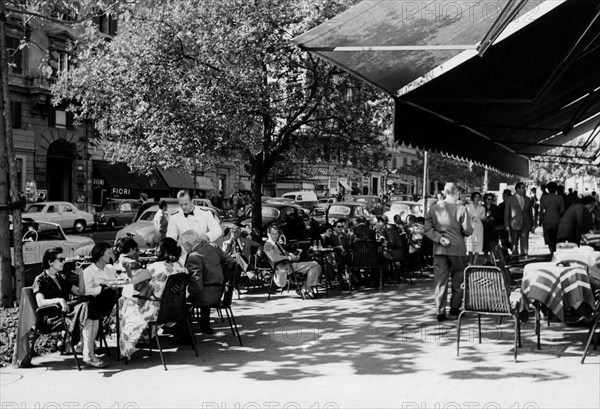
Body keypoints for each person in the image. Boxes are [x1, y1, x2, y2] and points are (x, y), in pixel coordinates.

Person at [33, 247, 108, 368]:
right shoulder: (40, 279)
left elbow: (80, 292)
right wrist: (58, 300)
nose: (64, 262)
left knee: (89, 303)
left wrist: (80, 277)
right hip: (52, 318)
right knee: (86, 308)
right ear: (50, 262)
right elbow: (40, 302)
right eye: (61, 259)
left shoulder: (61, 278)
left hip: (66, 314)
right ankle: (88, 353)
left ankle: (88, 351)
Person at [118, 238, 188, 359]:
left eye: (158, 247)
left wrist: (127, 269)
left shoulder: (156, 266)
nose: (156, 249)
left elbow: (133, 280)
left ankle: (126, 348)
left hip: (156, 310)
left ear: (163, 250)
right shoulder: (181, 267)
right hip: (174, 310)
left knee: (122, 302)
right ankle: (144, 338)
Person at [424, 182, 473, 322]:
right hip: (457, 249)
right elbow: (468, 230)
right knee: (458, 279)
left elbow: (427, 229)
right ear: (456, 192)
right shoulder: (461, 209)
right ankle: (455, 307)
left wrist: (439, 238)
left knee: (440, 281)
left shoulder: (433, 209)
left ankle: (440, 311)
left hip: (439, 248)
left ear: (444, 192)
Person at [180, 230, 237, 338]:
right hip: (218, 292)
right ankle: (204, 325)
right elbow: (231, 262)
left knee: (180, 302)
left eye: (183, 246)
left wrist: (184, 294)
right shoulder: (213, 247)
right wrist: (222, 280)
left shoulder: (194, 257)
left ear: (188, 244)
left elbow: (196, 286)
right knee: (203, 286)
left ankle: (186, 336)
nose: (184, 249)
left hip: (206, 296)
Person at [263, 225, 321, 299]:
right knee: (314, 265)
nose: (275, 236)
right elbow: (274, 258)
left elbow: (284, 253)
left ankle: (303, 289)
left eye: (277, 234)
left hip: (289, 264)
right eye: (273, 234)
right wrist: (289, 257)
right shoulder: (267, 245)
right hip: (283, 267)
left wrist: (294, 256)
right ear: (268, 234)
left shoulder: (276, 243)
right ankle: (308, 290)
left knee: (318, 266)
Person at [504, 182, 534, 256]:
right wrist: (507, 225)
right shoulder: (510, 199)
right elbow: (507, 213)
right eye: (522, 188)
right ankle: (515, 257)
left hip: (525, 223)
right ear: (517, 189)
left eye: (524, 188)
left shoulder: (527, 199)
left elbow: (530, 213)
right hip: (514, 224)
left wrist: (532, 224)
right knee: (514, 243)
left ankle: (524, 256)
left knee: (524, 242)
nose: (524, 190)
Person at [539, 181, 565, 253]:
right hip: (557, 220)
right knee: (556, 238)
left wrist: (540, 220)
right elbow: (562, 210)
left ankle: (551, 252)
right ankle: (556, 252)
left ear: (547, 189)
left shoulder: (544, 198)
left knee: (549, 239)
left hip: (546, 220)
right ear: (556, 189)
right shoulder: (560, 198)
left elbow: (541, 210)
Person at [464, 191, 484, 265]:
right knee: (470, 243)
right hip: (471, 226)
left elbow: (482, 217)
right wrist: (470, 218)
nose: (477, 199)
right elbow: (465, 216)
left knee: (478, 243)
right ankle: (470, 259)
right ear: (473, 198)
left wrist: (487, 217)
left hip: (479, 226)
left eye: (479, 197)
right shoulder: (467, 207)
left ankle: (475, 261)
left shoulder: (482, 208)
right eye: (476, 197)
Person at [481, 193, 497, 263]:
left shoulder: (495, 207)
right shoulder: (482, 207)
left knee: (493, 244)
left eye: (491, 199)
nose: (490, 201)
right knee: (485, 245)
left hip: (493, 229)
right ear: (485, 200)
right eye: (488, 199)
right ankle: (485, 259)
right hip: (484, 229)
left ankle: (491, 259)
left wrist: (491, 218)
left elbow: (498, 217)